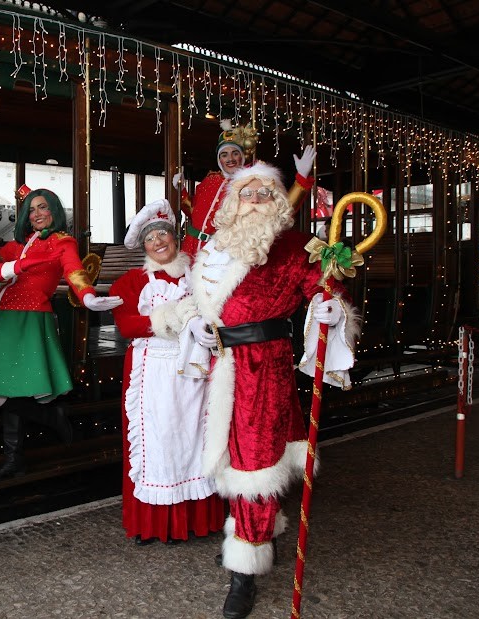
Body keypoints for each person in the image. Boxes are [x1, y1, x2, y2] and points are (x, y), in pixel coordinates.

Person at [161, 163, 359, 619]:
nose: (254, 201)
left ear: (278, 202)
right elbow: (194, 300)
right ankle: (252, 533)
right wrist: (193, 323)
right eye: (246, 193)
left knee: (255, 467)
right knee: (228, 460)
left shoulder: (295, 247)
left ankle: (244, 570)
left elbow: (326, 290)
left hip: (263, 370)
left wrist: (331, 309)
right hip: (216, 368)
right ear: (233, 201)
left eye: (264, 194)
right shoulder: (215, 245)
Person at [0, 187, 123, 481]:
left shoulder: (62, 242)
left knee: (10, 391)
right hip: (2, 318)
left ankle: (14, 459)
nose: (36, 214)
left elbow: (74, 270)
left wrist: (87, 295)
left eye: (42, 207)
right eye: (31, 209)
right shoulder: (18, 245)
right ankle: (49, 420)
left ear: (54, 210)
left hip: (31, 319)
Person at [108, 199, 224, 545]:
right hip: (153, 374)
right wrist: (172, 318)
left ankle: (196, 521)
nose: (158, 242)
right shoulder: (132, 282)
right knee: (159, 444)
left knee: (196, 442)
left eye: (163, 234)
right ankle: (155, 524)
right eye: (149, 238)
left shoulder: (200, 275)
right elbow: (127, 324)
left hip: (196, 372)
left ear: (175, 237)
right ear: (143, 247)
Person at [175, 120, 317, 260]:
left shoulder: (252, 182)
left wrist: (302, 178)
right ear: (219, 159)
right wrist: (181, 192)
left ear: (242, 155)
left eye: (235, 153)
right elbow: (194, 212)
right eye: (224, 155)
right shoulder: (209, 181)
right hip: (191, 246)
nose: (230, 159)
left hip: (222, 250)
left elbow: (282, 209)